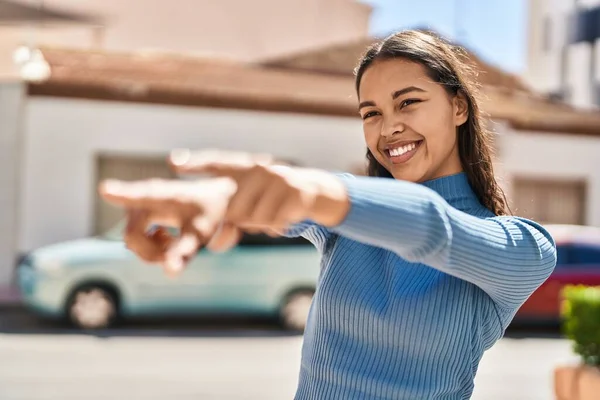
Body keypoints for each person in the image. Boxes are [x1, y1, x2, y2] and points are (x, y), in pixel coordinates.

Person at [100, 30, 557, 399]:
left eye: (408, 102)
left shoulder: (523, 249)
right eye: (370, 112)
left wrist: (315, 192)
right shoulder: (347, 215)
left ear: (458, 106)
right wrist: (211, 202)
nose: (388, 126)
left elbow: (433, 230)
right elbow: (281, 205)